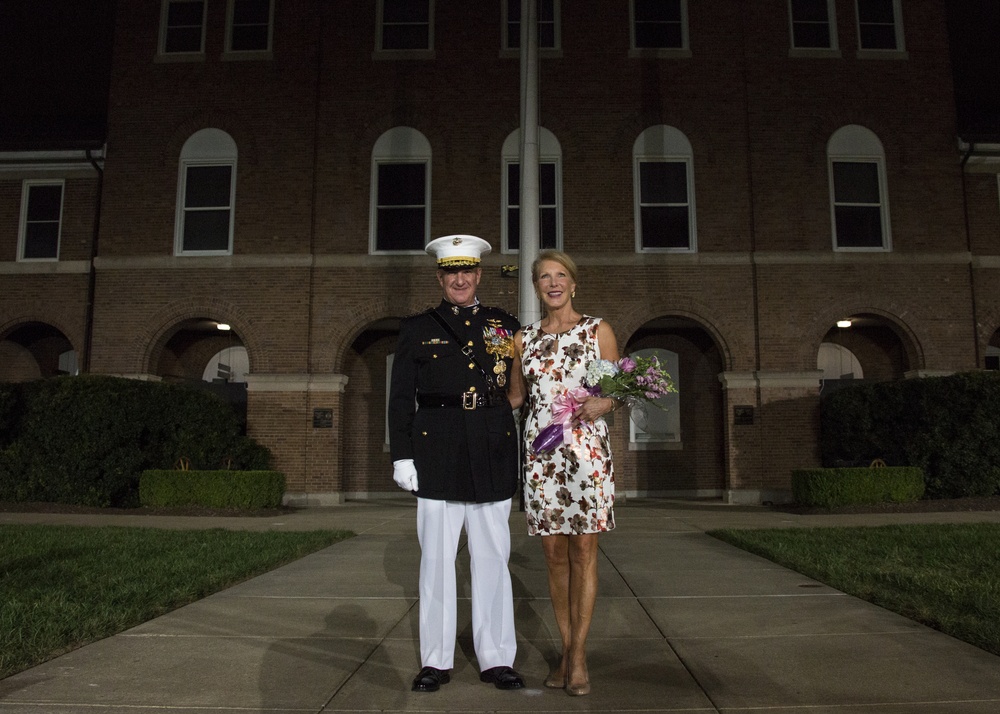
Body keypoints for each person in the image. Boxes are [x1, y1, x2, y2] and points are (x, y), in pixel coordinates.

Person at [388, 234, 525, 693]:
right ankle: (435, 660)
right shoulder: (416, 328)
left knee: (492, 559)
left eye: (467, 271)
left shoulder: (505, 325)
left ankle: (497, 658)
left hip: (490, 445)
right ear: (440, 277)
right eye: (451, 272)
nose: (460, 279)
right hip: (437, 450)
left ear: (480, 274)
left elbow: (523, 386)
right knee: (437, 564)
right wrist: (402, 454)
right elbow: (400, 397)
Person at [507, 250, 619, 697]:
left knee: (583, 554)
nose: (552, 283)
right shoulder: (523, 339)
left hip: (586, 454)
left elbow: (614, 391)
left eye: (560, 276)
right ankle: (568, 648)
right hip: (542, 457)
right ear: (535, 287)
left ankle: (576, 657)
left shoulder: (598, 330)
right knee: (554, 556)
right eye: (543, 277)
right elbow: (516, 398)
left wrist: (603, 402)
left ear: (574, 284)